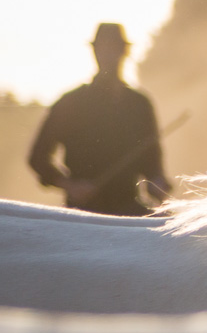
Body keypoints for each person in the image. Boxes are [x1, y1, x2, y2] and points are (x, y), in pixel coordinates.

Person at [28, 23, 172, 216]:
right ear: (94, 52)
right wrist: (71, 186)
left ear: (124, 52)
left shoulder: (140, 105)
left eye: (114, 48)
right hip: (83, 215)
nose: (108, 55)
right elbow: (38, 157)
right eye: (103, 49)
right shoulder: (71, 103)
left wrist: (157, 183)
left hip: (129, 212)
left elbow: (152, 162)